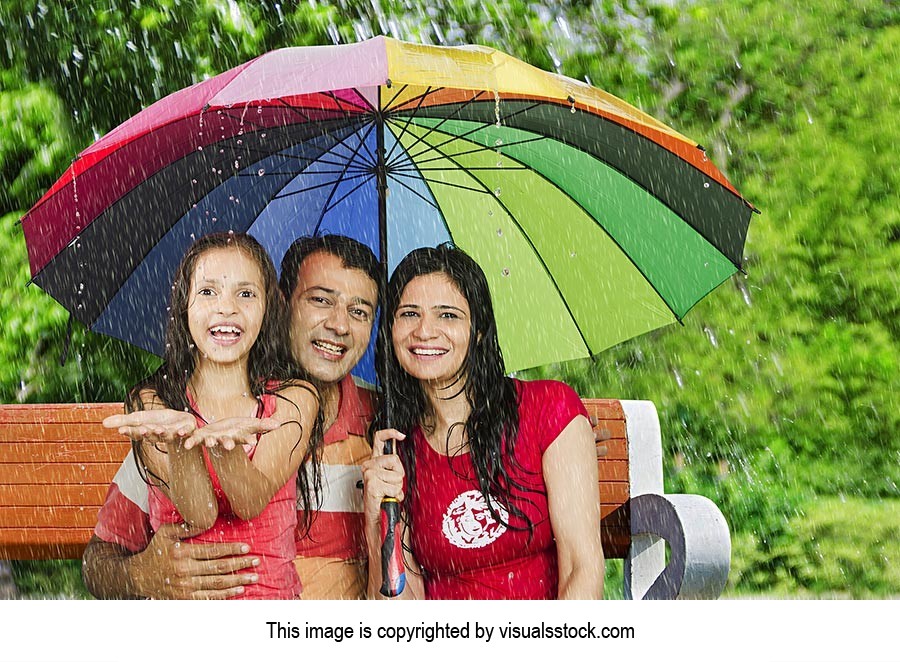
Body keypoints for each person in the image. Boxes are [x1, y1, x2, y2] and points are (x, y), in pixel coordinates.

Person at [82, 234, 380, 599]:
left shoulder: (384, 422)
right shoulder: (163, 413)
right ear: (282, 305)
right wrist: (141, 575)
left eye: (359, 311)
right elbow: (98, 564)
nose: (339, 325)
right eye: (320, 300)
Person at [362, 245, 605, 599]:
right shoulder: (395, 447)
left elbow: (583, 569)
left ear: (478, 330)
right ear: (391, 330)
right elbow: (395, 615)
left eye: (448, 315)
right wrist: (377, 522)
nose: (425, 331)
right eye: (409, 314)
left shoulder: (548, 409)